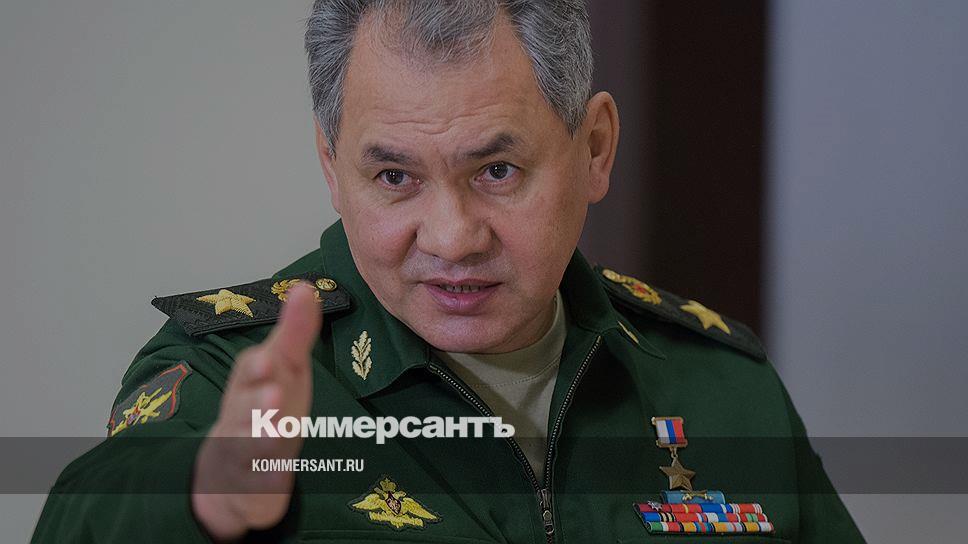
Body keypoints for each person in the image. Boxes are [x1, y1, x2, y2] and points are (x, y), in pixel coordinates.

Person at [32, 1, 865, 542]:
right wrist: (206, 494)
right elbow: (83, 514)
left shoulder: (719, 385)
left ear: (594, 149)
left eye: (497, 171)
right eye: (394, 176)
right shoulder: (231, 378)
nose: (453, 237)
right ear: (332, 167)